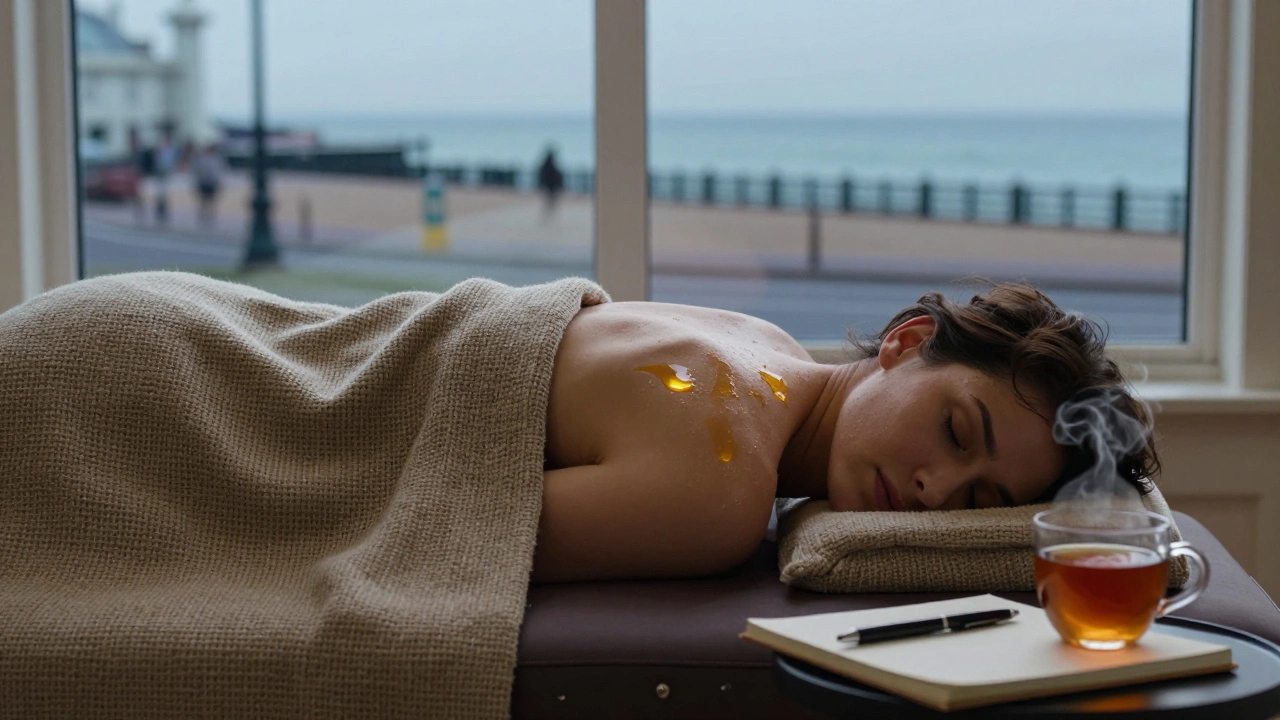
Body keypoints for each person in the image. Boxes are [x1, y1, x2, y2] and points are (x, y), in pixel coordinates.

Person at [533, 282, 1158, 582]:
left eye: (978, 503)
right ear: (909, 342)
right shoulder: (718, 490)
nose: (934, 492)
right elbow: (455, 524)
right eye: (956, 432)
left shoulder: (764, 340)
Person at [192, 144, 223, 228]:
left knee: (210, 201)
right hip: (205, 182)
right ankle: (204, 216)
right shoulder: (204, 159)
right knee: (204, 200)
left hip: (211, 182)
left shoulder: (215, 159)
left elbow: (218, 172)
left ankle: (209, 216)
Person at [536, 146, 565, 216]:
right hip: (550, 184)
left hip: (551, 185)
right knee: (550, 199)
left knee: (551, 199)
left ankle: (550, 211)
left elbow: (542, 175)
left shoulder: (547, 165)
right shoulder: (549, 165)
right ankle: (549, 211)